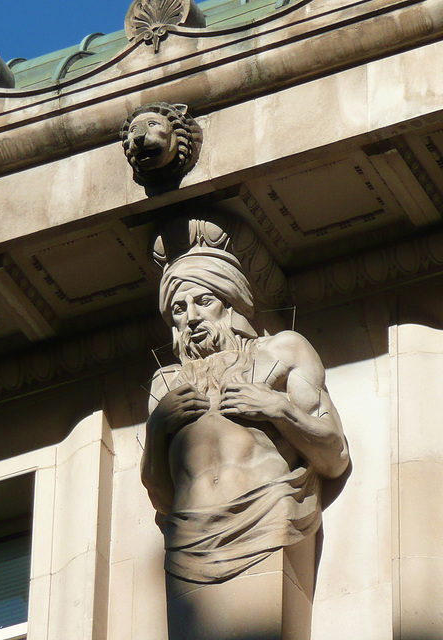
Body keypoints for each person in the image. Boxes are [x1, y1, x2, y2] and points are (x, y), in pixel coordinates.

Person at [141, 248, 349, 639]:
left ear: (231, 303)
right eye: (180, 309)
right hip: (189, 536)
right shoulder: (165, 384)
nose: (192, 317)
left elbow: (335, 454)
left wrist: (277, 409)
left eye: (203, 301)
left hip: (268, 515)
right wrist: (156, 430)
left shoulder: (282, 350)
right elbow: (161, 494)